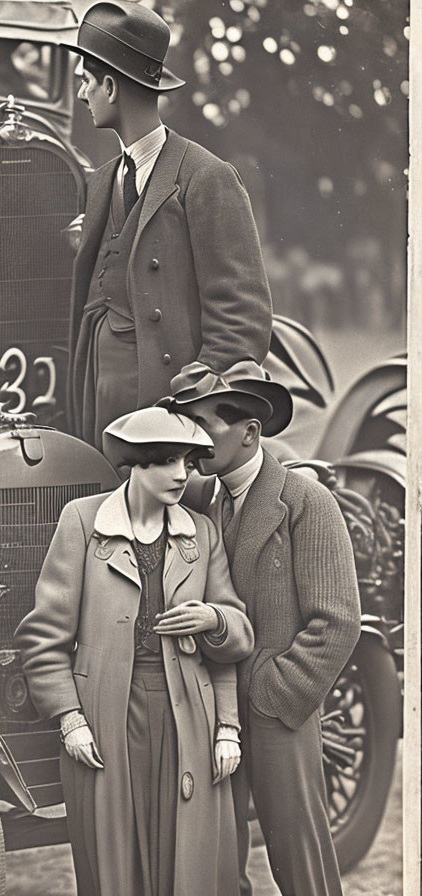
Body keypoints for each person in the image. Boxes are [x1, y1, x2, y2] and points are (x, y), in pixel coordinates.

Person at [14, 407, 255, 896]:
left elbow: (235, 641)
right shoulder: (82, 522)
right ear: (136, 466)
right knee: (116, 860)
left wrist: (226, 722)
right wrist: (70, 718)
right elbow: (43, 637)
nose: (182, 474)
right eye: (168, 461)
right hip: (107, 717)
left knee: (188, 858)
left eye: (187, 461)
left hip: (189, 713)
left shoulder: (201, 533)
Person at [165, 361, 362, 896]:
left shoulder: (307, 502)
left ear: (250, 432)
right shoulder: (197, 502)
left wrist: (275, 694)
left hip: (279, 712)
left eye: (205, 426)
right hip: (215, 712)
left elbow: (337, 622)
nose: (194, 441)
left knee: (301, 862)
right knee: (221, 863)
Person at [63, 0, 273, 449]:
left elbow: (243, 318)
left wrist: (187, 406)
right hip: (97, 412)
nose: (82, 95)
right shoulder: (102, 182)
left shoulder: (207, 177)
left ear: (111, 87)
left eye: (85, 81)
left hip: (165, 426)